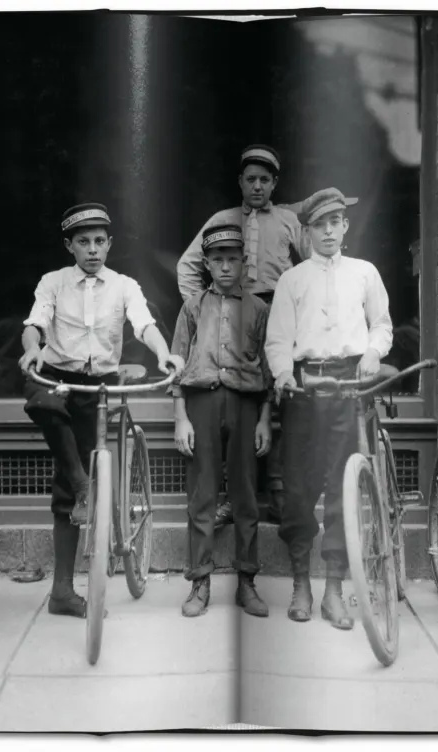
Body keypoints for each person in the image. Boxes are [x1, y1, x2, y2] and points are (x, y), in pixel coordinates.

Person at [19, 203, 185, 619]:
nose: (92, 250)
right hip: (58, 376)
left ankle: (64, 579)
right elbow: (34, 323)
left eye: (98, 241)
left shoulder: (124, 285)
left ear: (109, 244)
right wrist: (32, 350)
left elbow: (143, 324)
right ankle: (80, 488)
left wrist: (164, 354)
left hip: (98, 385)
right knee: (41, 403)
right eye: (82, 242)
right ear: (69, 246)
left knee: (67, 487)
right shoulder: (53, 282)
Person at [265, 188, 393, 630]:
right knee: (299, 491)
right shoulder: (292, 280)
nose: (328, 232)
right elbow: (279, 339)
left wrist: (374, 352)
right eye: (319, 225)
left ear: (345, 226)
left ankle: (334, 589)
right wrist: (283, 373)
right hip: (305, 391)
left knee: (343, 490)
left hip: (350, 388)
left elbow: (382, 325)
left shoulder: (364, 273)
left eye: (335, 222)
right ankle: (302, 582)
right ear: (307, 231)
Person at [176, 144, 305, 529]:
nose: (258, 186)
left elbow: (311, 267)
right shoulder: (223, 218)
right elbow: (189, 264)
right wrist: (203, 309)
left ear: (275, 184)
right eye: (251, 179)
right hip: (229, 315)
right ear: (240, 182)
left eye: (265, 180)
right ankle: (228, 499)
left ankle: (280, 495)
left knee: (278, 401)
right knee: (229, 400)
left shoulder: (286, 221)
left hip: (276, 314)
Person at [171, 223, 272, 619]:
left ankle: (247, 581)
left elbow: (267, 368)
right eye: (218, 260)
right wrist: (181, 417)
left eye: (233, 259)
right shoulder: (193, 306)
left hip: (246, 404)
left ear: (244, 262)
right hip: (202, 403)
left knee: (246, 495)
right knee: (203, 494)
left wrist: (265, 419)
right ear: (208, 264)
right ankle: (200, 581)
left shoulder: (260, 309)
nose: (226, 267)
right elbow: (177, 363)